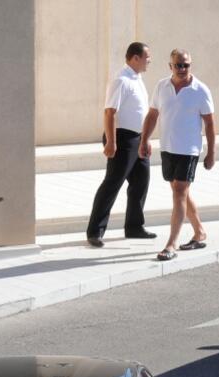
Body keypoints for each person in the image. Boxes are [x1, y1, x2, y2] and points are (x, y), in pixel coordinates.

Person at [139, 49, 216, 261]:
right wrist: (144, 140)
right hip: (167, 147)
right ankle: (199, 232)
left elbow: (210, 123)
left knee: (180, 192)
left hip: (188, 150)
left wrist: (211, 152)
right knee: (179, 191)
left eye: (186, 65)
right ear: (170, 66)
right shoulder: (161, 86)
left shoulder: (200, 90)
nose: (182, 69)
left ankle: (171, 244)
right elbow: (152, 115)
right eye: (178, 65)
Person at [86, 42, 156, 247]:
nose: (149, 60)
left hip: (138, 138)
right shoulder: (121, 80)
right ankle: (95, 231)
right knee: (112, 184)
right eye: (147, 57)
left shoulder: (137, 79)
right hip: (122, 139)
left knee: (141, 182)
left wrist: (145, 139)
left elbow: (140, 112)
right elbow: (110, 112)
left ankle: (134, 227)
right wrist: (111, 142)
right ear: (135, 58)